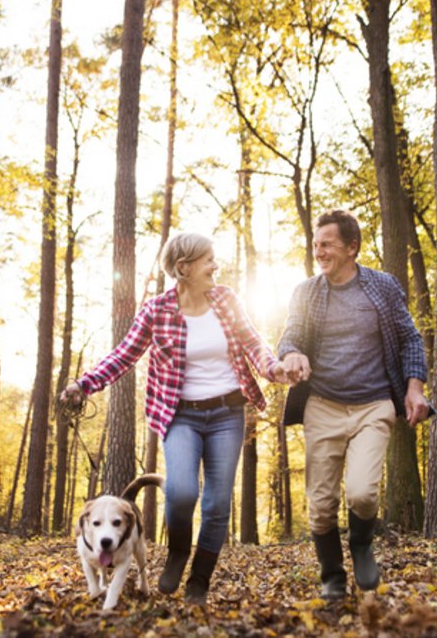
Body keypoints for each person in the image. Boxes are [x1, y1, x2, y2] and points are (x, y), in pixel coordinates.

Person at [61, 233, 287, 606]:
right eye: (208, 260)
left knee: (216, 504)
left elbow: (253, 343)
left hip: (228, 412)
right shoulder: (156, 310)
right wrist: (85, 384)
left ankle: (199, 578)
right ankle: (179, 551)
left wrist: (274, 368)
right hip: (180, 414)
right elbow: (123, 355)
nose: (216, 266)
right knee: (181, 492)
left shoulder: (226, 299)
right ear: (184, 268)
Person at [278, 209, 429, 599]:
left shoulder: (382, 287)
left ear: (352, 247)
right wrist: (292, 353)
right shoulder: (306, 291)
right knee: (322, 504)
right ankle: (332, 574)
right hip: (323, 405)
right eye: (316, 245)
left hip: (373, 404)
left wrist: (414, 389)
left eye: (327, 244)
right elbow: (291, 334)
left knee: (362, 492)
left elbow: (410, 338)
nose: (319, 251)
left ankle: (361, 545)